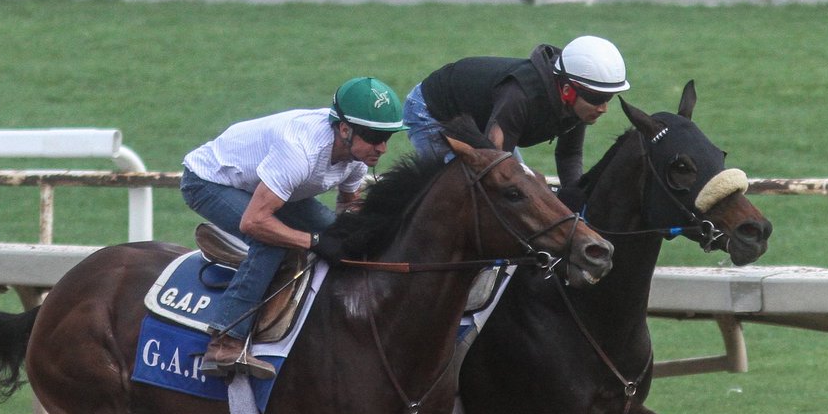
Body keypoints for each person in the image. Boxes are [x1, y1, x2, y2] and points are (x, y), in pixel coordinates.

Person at [180, 76, 407, 379]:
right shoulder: (299, 150)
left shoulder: (357, 157)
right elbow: (254, 221)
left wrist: (358, 233)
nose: (382, 148)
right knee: (272, 242)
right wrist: (313, 241)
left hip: (268, 187)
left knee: (337, 234)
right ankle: (225, 341)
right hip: (208, 182)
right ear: (344, 129)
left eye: (386, 137)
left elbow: (348, 207)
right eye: (374, 137)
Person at [403, 35, 629, 188]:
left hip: (483, 120)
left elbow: (568, 155)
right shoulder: (520, 96)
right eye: (597, 99)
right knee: (470, 189)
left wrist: (575, 199)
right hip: (432, 112)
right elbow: (495, 168)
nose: (603, 108)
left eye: (608, 98)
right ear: (568, 90)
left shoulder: (574, 103)